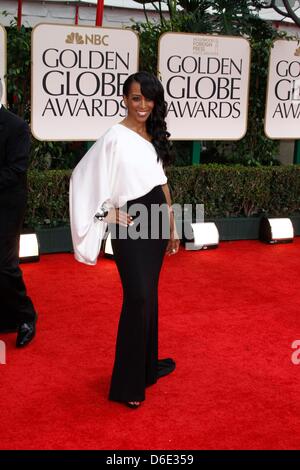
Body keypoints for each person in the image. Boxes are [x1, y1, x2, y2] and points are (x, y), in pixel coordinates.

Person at [70, 71, 179, 408]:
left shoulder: (152, 135)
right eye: (135, 98)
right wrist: (106, 212)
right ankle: (127, 385)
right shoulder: (114, 137)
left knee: (151, 297)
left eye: (148, 98)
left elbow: (162, 184)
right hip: (130, 223)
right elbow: (80, 178)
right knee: (139, 297)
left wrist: (173, 226)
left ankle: (146, 368)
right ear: (125, 99)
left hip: (157, 220)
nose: (142, 104)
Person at [0, 78, 37, 346]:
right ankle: (6, 316)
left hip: (6, 205)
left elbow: (17, 170)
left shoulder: (16, 126)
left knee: (5, 265)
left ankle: (26, 316)